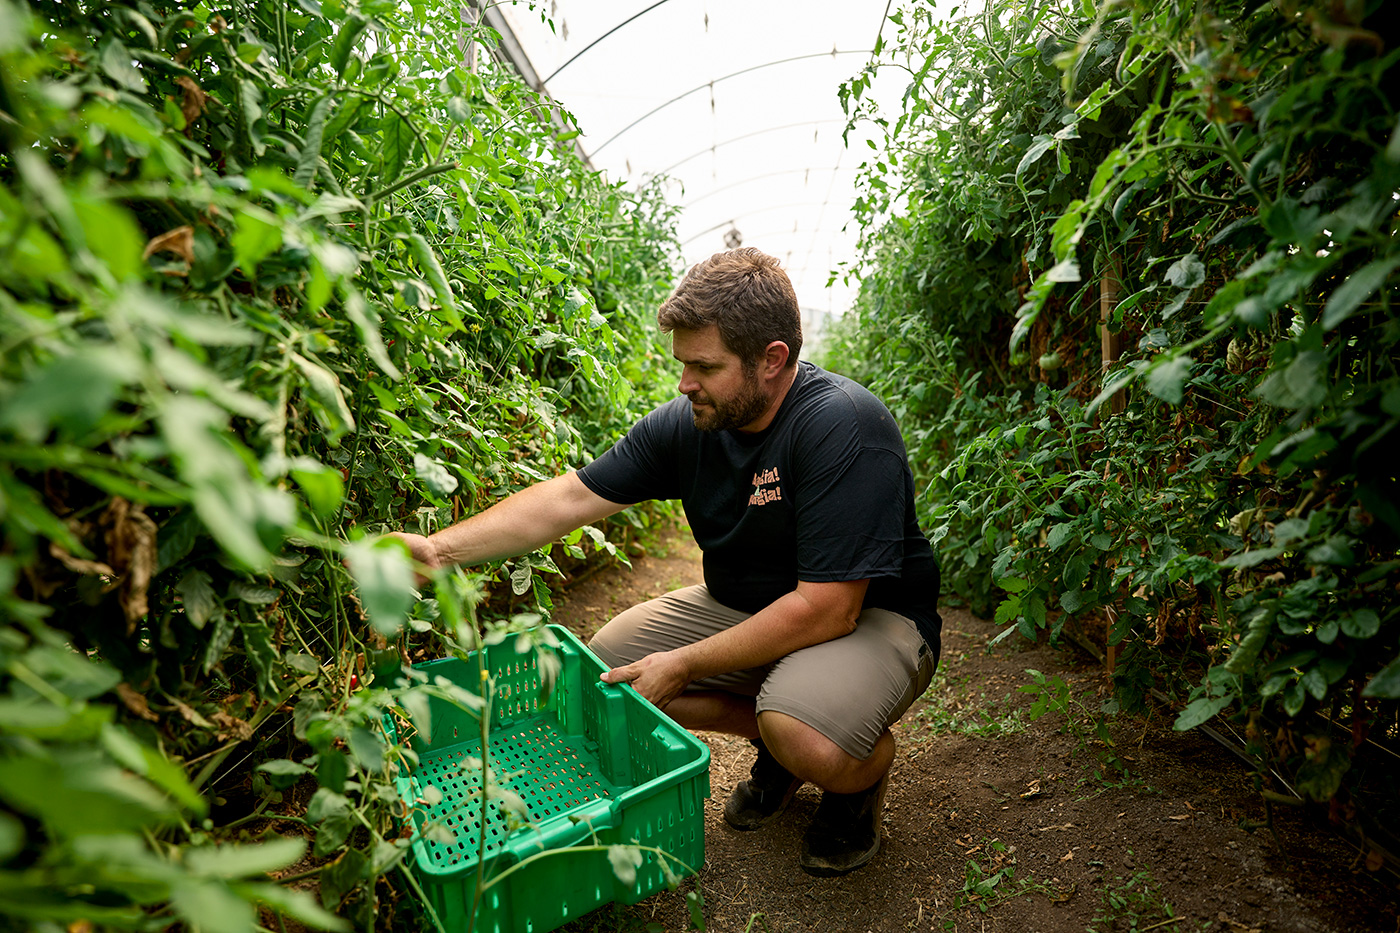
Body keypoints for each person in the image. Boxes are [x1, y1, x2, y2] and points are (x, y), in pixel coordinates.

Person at [389, 247, 941, 876]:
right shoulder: (689, 424)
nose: (685, 385)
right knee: (611, 669)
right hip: (754, 605)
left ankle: (852, 776)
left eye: (704, 367)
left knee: (805, 732)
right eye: (682, 365)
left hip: (871, 619)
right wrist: (439, 552)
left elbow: (828, 608)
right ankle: (778, 741)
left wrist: (683, 663)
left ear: (773, 360)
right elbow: (570, 497)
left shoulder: (841, 427)